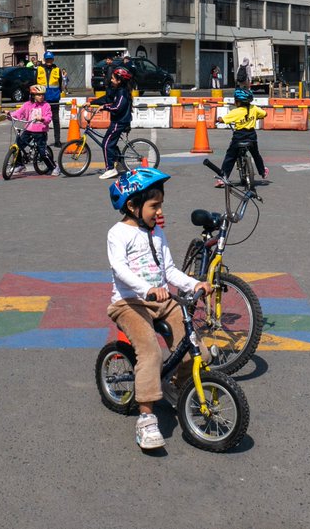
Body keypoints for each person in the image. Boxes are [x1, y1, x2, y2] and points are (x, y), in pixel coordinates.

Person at [104, 167, 211, 451]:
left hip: (161, 301)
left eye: (160, 204)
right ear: (132, 205)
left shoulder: (157, 232)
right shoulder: (118, 233)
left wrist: (194, 284)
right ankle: (146, 418)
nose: (159, 210)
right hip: (129, 303)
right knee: (150, 351)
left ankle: (180, 386)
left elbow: (170, 270)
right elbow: (120, 269)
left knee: (190, 341)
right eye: (154, 205)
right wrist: (147, 288)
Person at [216, 87, 269, 187]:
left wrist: (219, 119)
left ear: (238, 102)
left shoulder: (235, 112)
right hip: (251, 136)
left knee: (230, 156)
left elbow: (223, 120)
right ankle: (262, 172)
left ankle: (223, 177)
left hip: (239, 137)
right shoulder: (254, 108)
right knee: (256, 154)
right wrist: (257, 116)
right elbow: (264, 114)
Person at [91, 66, 133, 180]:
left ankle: (110, 169)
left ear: (120, 81)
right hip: (117, 121)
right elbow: (107, 99)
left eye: (113, 78)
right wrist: (91, 103)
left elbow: (117, 107)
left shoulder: (122, 92)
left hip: (119, 122)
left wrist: (104, 107)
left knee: (106, 144)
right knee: (111, 143)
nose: (111, 80)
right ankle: (118, 163)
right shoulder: (117, 90)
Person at [8, 84, 58, 175]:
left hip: (40, 132)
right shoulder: (27, 105)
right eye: (39, 95)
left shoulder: (46, 105)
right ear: (32, 95)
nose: (41, 96)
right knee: (17, 146)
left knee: (42, 152)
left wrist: (42, 119)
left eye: (43, 94)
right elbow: (18, 113)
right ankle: (19, 165)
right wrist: (9, 114)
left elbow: (49, 117)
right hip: (28, 130)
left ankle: (54, 167)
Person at [35, 50, 64, 146]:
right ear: (44, 59)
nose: (49, 61)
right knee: (43, 121)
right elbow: (35, 84)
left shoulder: (57, 70)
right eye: (47, 59)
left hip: (54, 99)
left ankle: (57, 141)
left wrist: (58, 93)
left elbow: (60, 84)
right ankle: (43, 141)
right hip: (43, 100)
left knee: (56, 120)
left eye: (50, 59)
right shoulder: (39, 69)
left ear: (53, 59)